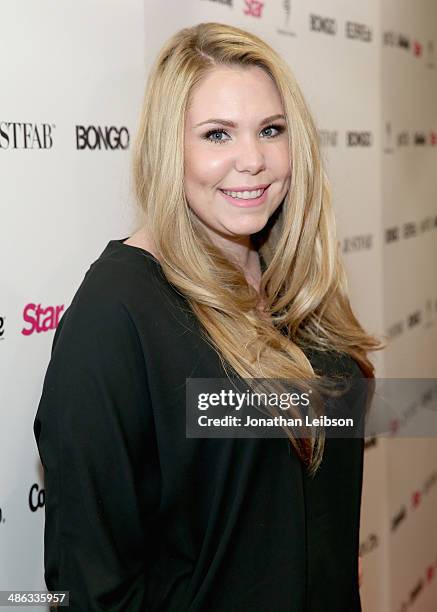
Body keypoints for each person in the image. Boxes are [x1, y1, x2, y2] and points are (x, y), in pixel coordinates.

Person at [34, 22, 383, 611]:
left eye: (271, 130)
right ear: (171, 149)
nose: (252, 160)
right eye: (217, 134)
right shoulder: (117, 314)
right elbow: (90, 588)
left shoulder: (297, 284)